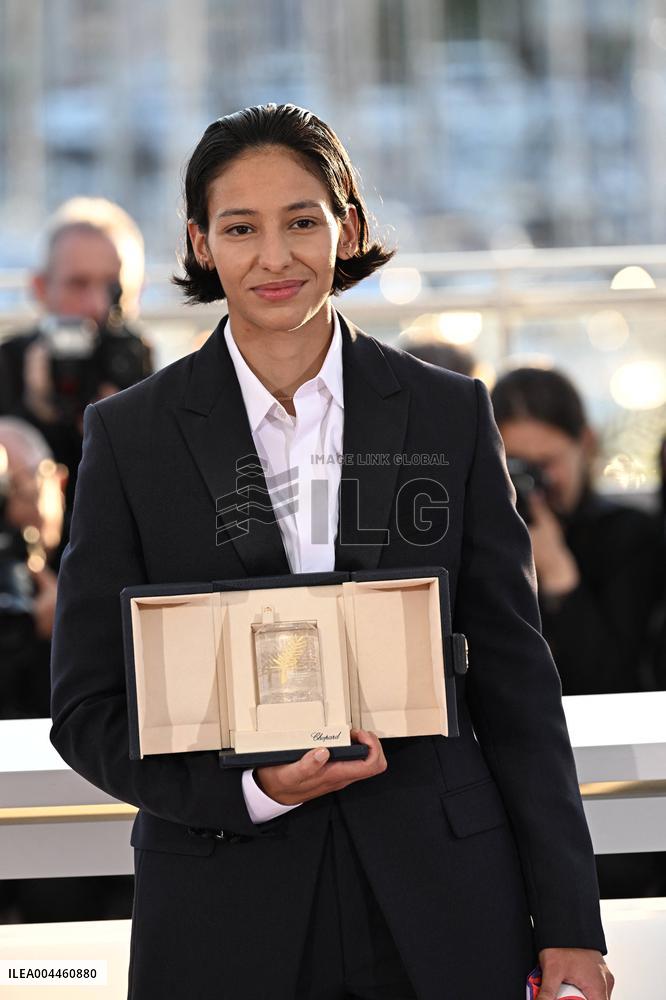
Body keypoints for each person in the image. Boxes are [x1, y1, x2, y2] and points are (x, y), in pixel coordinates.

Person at [50, 105, 613, 1000]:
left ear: (347, 227)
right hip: (222, 903)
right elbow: (85, 707)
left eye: (302, 221)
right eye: (241, 227)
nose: (275, 256)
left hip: (446, 900)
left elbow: (516, 680)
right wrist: (256, 788)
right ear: (201, 244)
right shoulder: (130, 437)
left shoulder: (448, 412)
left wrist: (572, 924)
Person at [490, 366, 663, 696]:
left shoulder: (628, 535)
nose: (533, 482)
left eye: (546, 463)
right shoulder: (484, 542)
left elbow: (615, 683)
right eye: (516, 464)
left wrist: (557, 571)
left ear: (585, 444)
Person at [0, 198, 153, 548]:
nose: (97, 306)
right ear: (40, 288)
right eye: (78, 284)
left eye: (114, 288)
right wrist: (34, 415)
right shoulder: (8, 366)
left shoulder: (139, 367)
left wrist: (121, 432)